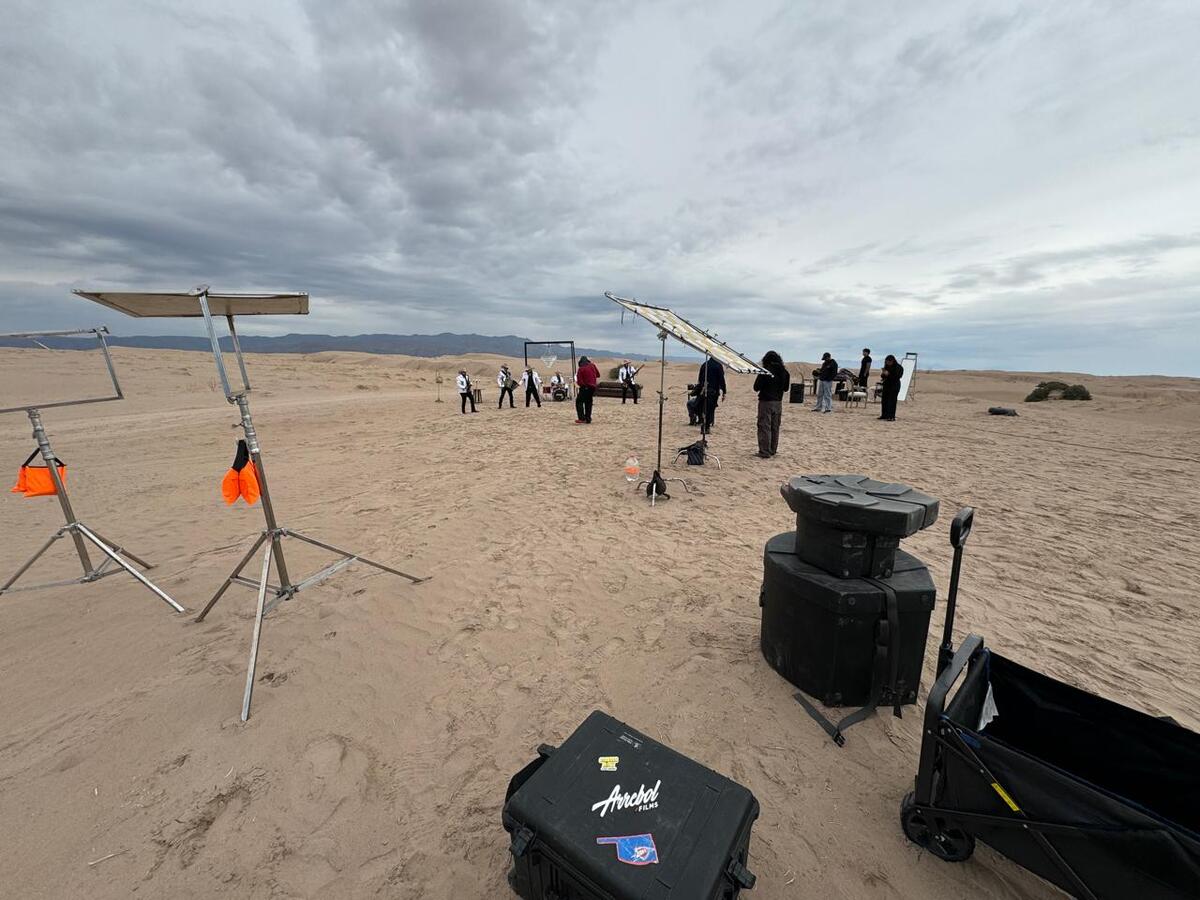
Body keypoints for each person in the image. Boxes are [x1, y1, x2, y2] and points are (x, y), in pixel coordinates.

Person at [753, 351, 790, 458]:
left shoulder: (765, 372)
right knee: (775, 427)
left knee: (764, 426)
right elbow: (786, 388)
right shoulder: (784, 372)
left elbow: (756, 387)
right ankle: (773, 449)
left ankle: (765, 451)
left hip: (766, 402)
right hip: (778, 402)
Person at [698, 357, 726, 430]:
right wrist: (724, 391)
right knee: (710, 409)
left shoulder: (704, 364)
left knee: (704, 408)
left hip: (704, 390)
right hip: (713, 391)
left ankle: (704, 425)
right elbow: (721, 380)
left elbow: (700, 379)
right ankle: (706, 426)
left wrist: (701, 388)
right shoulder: (718, 365)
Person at [575, 355, 600, 424]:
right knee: (588, 402)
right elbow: (598, 375)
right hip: (593, 387)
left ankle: (581, 418)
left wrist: (583, 385)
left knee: (579, 401)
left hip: (585, 387)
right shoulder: (593, 365)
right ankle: (588, 419)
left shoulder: (581, 369)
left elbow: (579, 381)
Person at [879, 354, 904, 421]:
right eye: (886, 362)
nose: (887, 363)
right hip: (887, 385)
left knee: (892, 401)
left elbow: (898, 376)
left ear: (892, 361)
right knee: (884, 400)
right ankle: (884, 415)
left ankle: (891, 416)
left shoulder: (899, 367)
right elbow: (883, 376)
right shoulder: (887, 366)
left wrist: (889, 374)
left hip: (894, 385)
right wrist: (883, 373)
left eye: (888, 362)